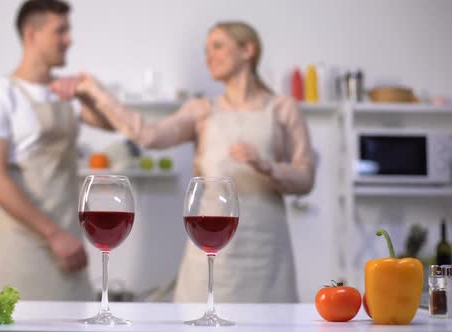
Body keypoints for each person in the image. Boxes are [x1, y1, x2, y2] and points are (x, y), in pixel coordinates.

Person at [62, 21, 315, 303]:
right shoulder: (201, 111)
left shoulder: (282, 109)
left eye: (217, 46)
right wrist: (99, 93)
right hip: (209, 246)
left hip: (268, 252)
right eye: (205, 50)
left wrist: (267, 165)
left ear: (248, 50)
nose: (209, 56)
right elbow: (148, 135)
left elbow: (305, 179)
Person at [0, 0, 112, 300]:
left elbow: (111, 123)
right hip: (24, 247)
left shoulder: (66, 93)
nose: (69, 39)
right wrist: (53, 234)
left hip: (69, 245)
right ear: (31, 34)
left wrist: (88, 93)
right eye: (60, 31)